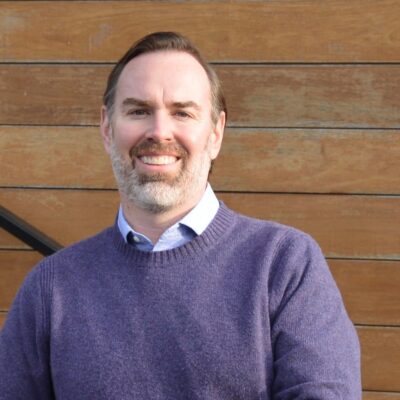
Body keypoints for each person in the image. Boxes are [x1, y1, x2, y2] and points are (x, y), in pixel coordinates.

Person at [0, 32, 361, 399]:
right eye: (139, 110)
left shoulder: (284, 265)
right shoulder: (51, 287)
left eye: (182, 112)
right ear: (108, 128)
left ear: (216, 133)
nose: (159, 132)